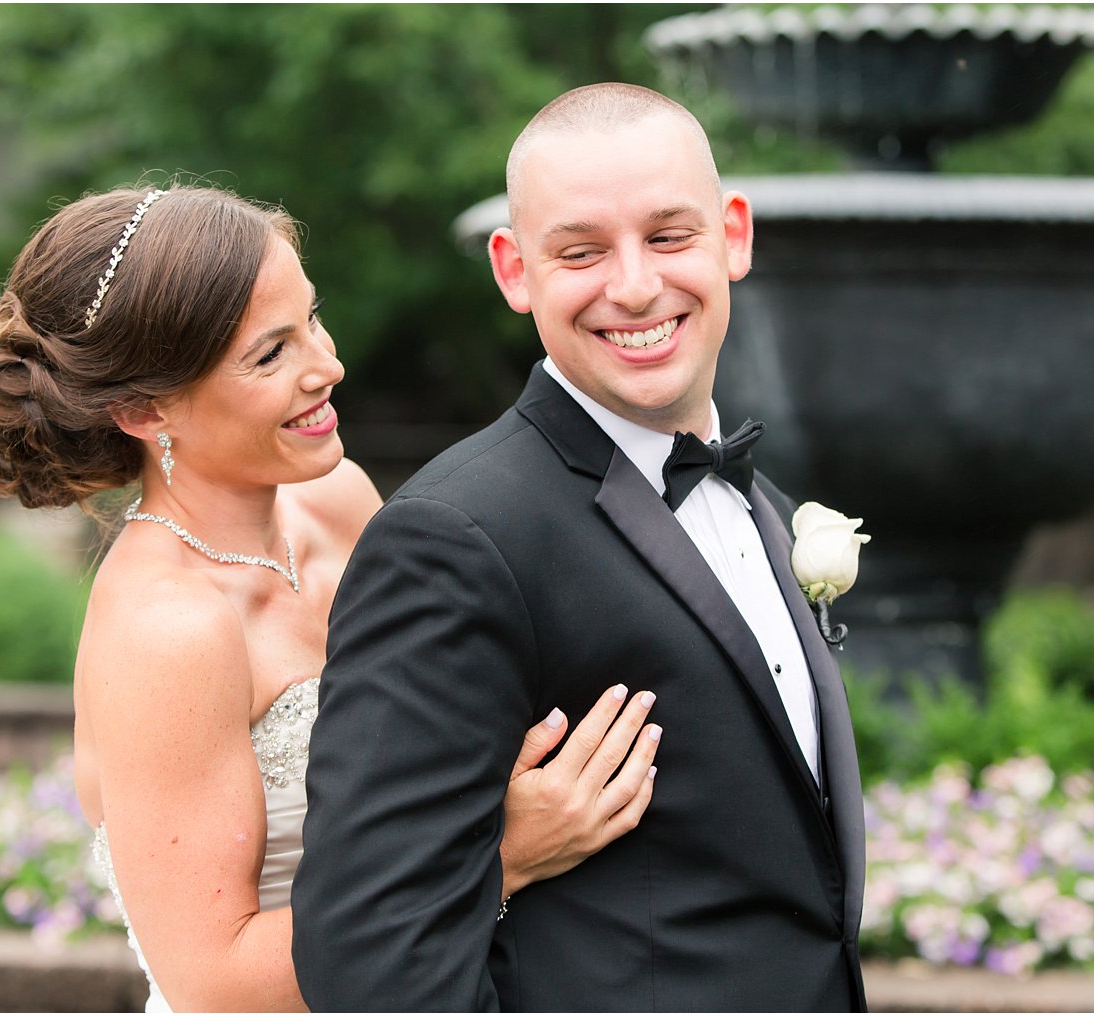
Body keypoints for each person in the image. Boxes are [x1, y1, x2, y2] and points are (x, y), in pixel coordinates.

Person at [0, 182, 664, 1013]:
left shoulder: (337, 502)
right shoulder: (169, 630)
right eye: (270, 354)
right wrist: (499, 853)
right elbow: (216, 982)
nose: (327, 366)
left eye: (311, 321)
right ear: (145, 410)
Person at [292, 82, 867, 1011]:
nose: (634, 285)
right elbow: (368, 959)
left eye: (669, 236)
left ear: (734, 235)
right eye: (581, 251)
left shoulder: (764, 505)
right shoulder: (455, 538)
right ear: (515, 271)